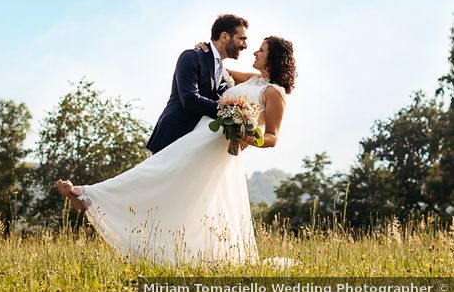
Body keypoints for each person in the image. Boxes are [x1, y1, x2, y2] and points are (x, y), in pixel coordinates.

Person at [55, 34, 297, 264]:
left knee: (172, 182)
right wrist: (204, 49)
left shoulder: (275, 94)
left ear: (273, 57)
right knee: (161, 172)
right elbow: (217, 67)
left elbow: (272, 137)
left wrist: (247, 136)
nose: (254, 51)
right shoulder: (252, 79)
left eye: (261, 50)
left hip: (215, 150)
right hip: (199, 137)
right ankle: (91, 198)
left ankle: (88, 196)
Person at [146, 14, 249, 154]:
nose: (245, 45)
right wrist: (231, 112)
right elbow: (190, 99)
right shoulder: (191, 57)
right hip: (173, 138)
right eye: (241, 39)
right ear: (224, 37)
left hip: (196, 144)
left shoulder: (222, 71)